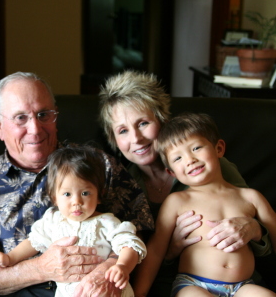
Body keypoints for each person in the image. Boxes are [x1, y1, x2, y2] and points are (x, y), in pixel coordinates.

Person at [0, 72, 154, 297]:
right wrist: (40, 269)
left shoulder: (100, 165)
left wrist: (110, 268)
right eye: (20, 117)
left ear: (55, 116)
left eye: (43, 114)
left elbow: (142, 230)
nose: (35, 129)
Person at [98, 70, 271, 296]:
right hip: (183, 284)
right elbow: (145, 254)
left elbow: (249, 213)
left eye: (143, 123)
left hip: (242, 283)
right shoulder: (122, 188)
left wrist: (255, 229)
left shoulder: (212, 165)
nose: (136, 138)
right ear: (115, 142)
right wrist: (173, 251)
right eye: (123, 131)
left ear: (163, 121)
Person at [134, 112, 276, 296]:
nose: (190, 160)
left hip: (243, 286)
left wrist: (257, 228)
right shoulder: (177, 201)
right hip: (194, 285)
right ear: (172, 172)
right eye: (178, 158)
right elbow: (155, 251)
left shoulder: (250, 197)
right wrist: (138, 294)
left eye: (196, 148)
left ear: (219, 148)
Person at [0, 145, 147, 297]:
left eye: (85, 193)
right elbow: (33, 242)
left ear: (99, 195)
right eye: (67, 194)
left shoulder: (107, 221)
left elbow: (129, 245)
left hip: (106, 291)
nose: (76, 201)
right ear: (54, 198)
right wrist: (10, 257)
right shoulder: (52, 220)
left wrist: (122, 266)